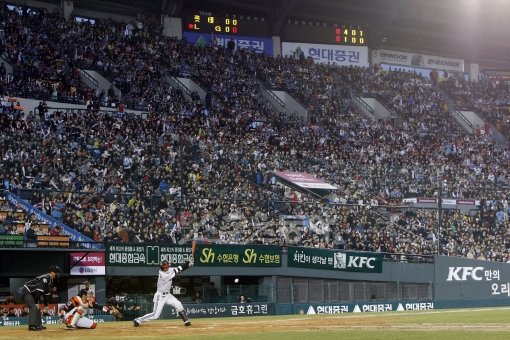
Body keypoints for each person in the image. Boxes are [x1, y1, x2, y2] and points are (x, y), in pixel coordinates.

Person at [133, 259, 193, 327]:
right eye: (165, 266)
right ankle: (138, 320)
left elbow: (179, 268)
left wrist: (188, 265)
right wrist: (187, 264)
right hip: (160, 296)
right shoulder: (163, 274)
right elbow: (177, 270)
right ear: (163, 268)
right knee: (155, 315)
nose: (167, 267)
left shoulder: (169, 270)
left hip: (168, 295)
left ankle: (186, 321)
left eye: (167, 266)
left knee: (178, 305)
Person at [15, 265, 61, 331]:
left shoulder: (50, 281)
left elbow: (46, 294)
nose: (57, 274)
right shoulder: (46, 278)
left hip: (32, 293)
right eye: (57, 272)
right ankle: (32, 326)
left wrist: (46, 305)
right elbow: (38, 291)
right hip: (25, 291)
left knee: (38, 308)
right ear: (52, 272)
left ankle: (38, 324)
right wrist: (36, 302)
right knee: (34, 307)